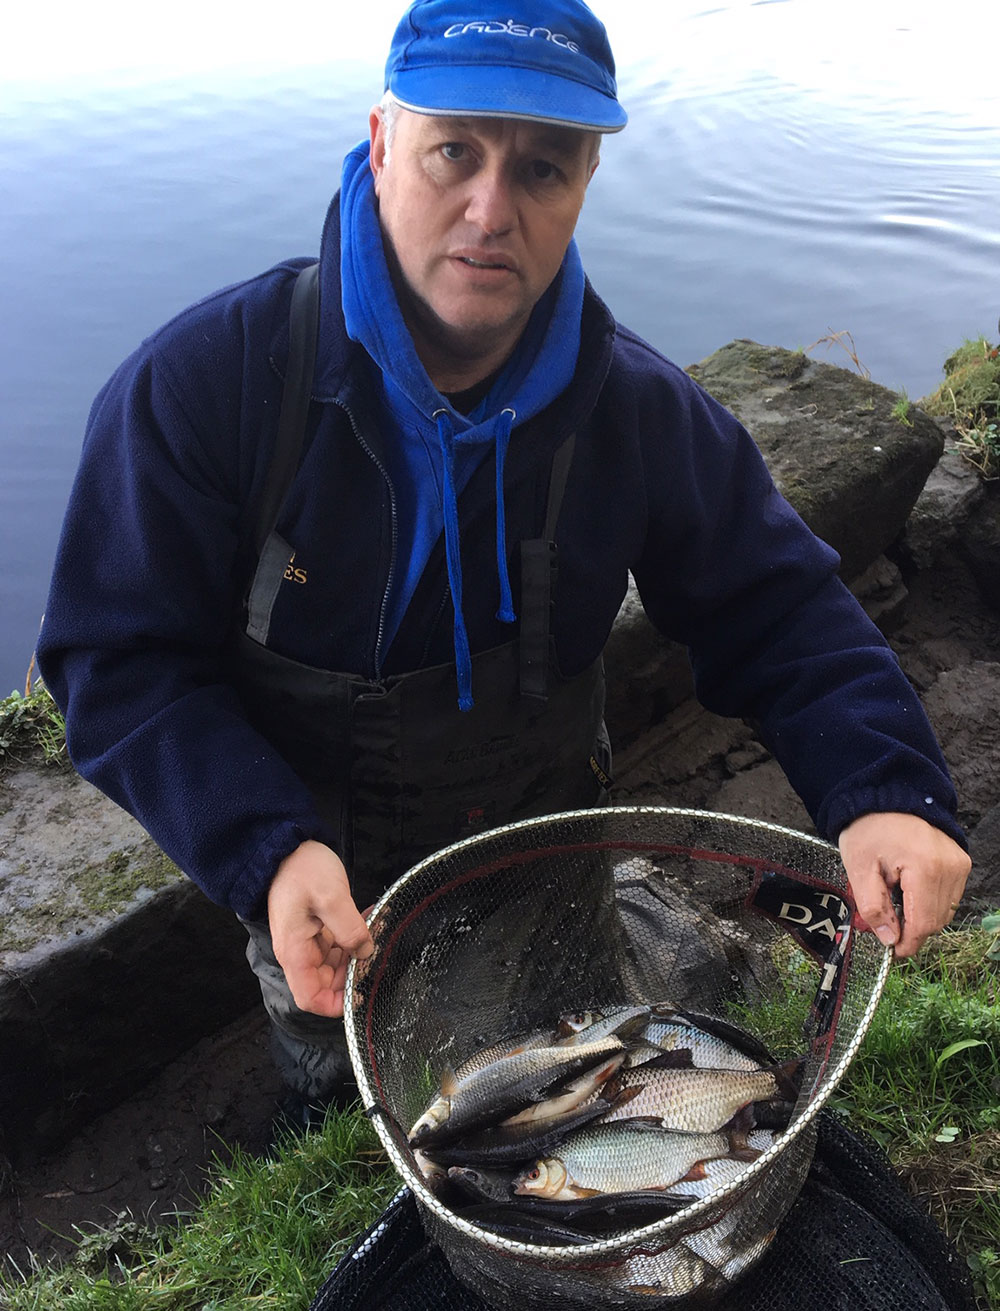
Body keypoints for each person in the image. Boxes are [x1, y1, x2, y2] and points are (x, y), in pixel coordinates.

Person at [37, 0, 970, 1122]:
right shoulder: (202, 388)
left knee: (572, 1057)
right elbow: (117, 661)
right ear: (382, 145)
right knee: (349, 1096)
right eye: (453, 152)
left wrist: (883, 792)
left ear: (583, 184)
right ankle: (329, 1108)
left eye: (541, 168)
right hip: (323, 882)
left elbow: (776, 606)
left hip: (545, 842)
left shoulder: (635, 408)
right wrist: (266, 853)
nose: (490, 210)